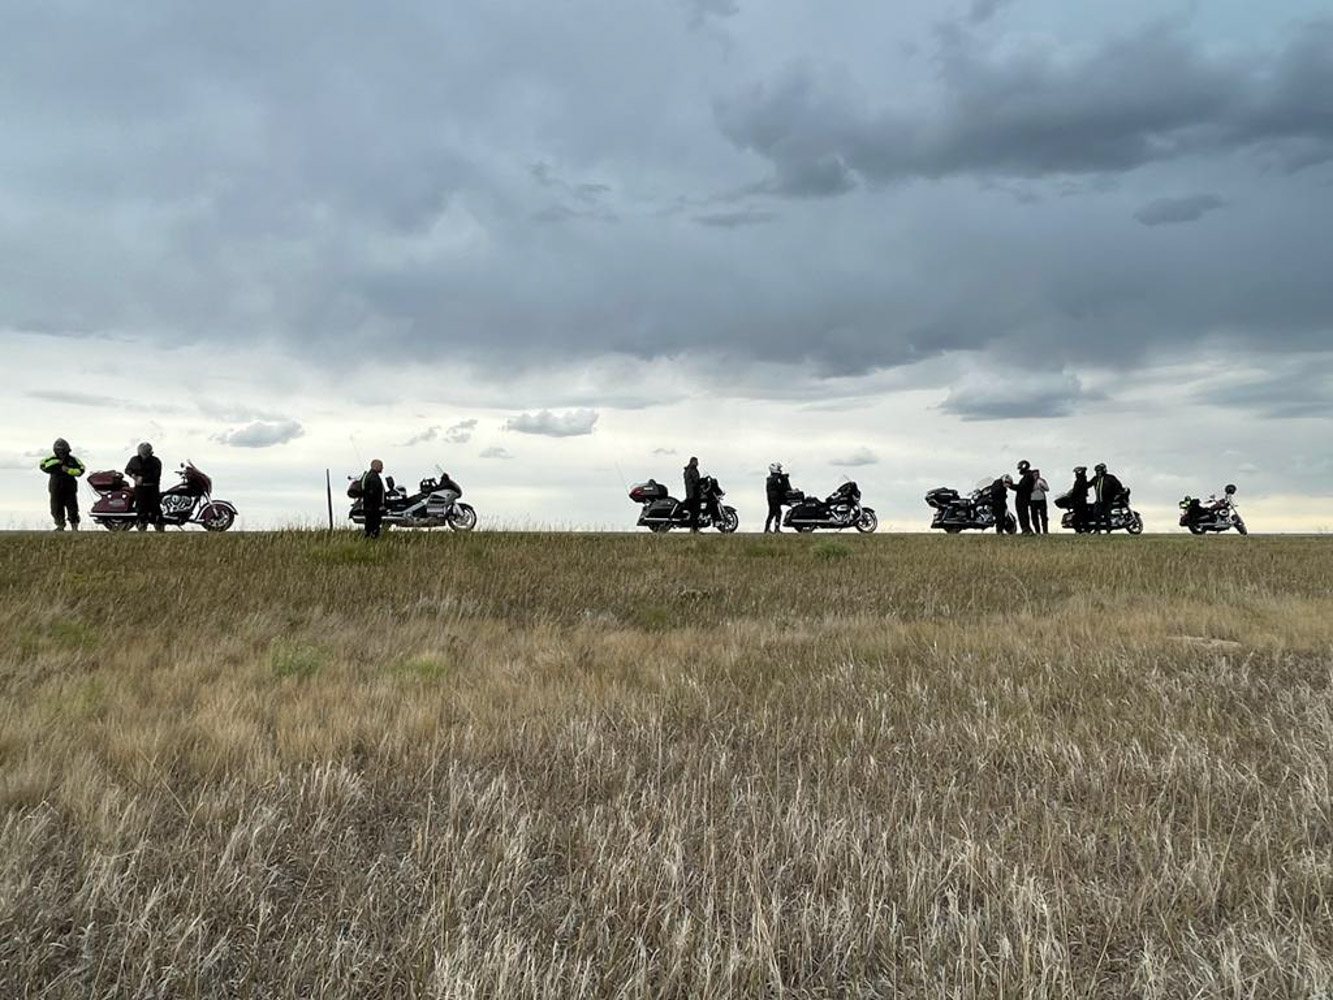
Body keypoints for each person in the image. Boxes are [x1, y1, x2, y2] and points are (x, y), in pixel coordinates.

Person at [39, 438, 85, 531]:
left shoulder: (73, 460)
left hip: (70, 488)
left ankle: (74, 526)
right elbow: (42, 465)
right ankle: (60, 525)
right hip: (55, 487)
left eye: (63, 450)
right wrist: (57, 462)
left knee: (73, 508)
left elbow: (81, 470)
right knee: (56, 508)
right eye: (59, 450)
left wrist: (69, 470)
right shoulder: (51, 459)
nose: (61, 452)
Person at [126, 442, 164, 532]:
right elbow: (127, 469)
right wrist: (133, 475)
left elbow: (156, 475)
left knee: (155, 507)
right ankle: (142, 524)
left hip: (152, 488)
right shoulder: (134, 460)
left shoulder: (156, 461)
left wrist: (142, 478)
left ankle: (158, 524)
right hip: (140, 488)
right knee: (141, 507)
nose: (144, 455)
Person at [1091, 462, 1124, 534]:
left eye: (1099, 471)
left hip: (1108, 500)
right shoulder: (1095, 479)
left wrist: (1118, 493)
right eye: (1097, 471)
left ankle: (1108, 530)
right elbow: (1088, 484)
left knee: (1107, 515)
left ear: (1103, 470)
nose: (1098, 472)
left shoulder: (1110, 478)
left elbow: (1118, 485)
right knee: (1096, 515)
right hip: (1098, 500)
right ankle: (1097, 530)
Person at [361, 459, 386, 539]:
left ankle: (369, 538)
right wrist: (379, 506)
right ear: (376, 466)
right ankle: (371, 539)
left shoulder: (369, 475)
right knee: (373, 526)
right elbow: (373, 493)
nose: (382, 468)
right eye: (381, 466)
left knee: (369, 525)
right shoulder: (373, 477)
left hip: (369, 507)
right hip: (373, 508)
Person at [1010, 459, 1037, 534]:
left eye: (1020, 468)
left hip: (1023, 499)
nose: (1019, 470)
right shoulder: (1028, 476)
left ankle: (1026, 530)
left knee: (1023, 514)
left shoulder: (1028, 476)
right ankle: (1026, 529)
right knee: (1022, 514)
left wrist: (1010, 486)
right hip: (1023, 498)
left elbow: (1021, 487)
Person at [764, 462, 790, 533]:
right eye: (779, 468)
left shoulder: (771, 478)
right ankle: (776, 528)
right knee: (777, 512)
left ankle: (767, 528)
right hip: (774, 498)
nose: (780, 470)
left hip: (772, 498)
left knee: (772, 513)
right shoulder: (775, 478)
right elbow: (781, 487)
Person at [1069, 466, 1091, 532]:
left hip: (1078, 501)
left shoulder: (1079, 480)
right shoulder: (1083, 479)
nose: (1075, 474)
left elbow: (1076, 491)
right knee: (1083, 515)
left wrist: (1071, 496)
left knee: (1077, 516)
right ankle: (1086, 529)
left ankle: (1079, 529)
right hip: (1082, 500)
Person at [683, 457, 702, 533]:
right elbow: (696, 481)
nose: (698, 463)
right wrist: (702, 482)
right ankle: (695, 529)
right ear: (692, 462)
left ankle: (693, 529)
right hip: (694, 493)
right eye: (696, 462)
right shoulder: (692, 470)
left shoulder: (687, 470)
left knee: (693, 512)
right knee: (695, 512)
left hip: (689, 494)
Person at [1029, 468, 1049, 534]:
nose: (1036, 476)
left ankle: (1045, 530)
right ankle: (1037, 531)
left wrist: (1041, 486)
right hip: (1033, 500)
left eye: (1037, 474)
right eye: (1035, 474)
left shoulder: (1041, 480)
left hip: (1041, 499)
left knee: (1043, 516)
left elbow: (1047, 489)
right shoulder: (1030, 482)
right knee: (1034, 516)